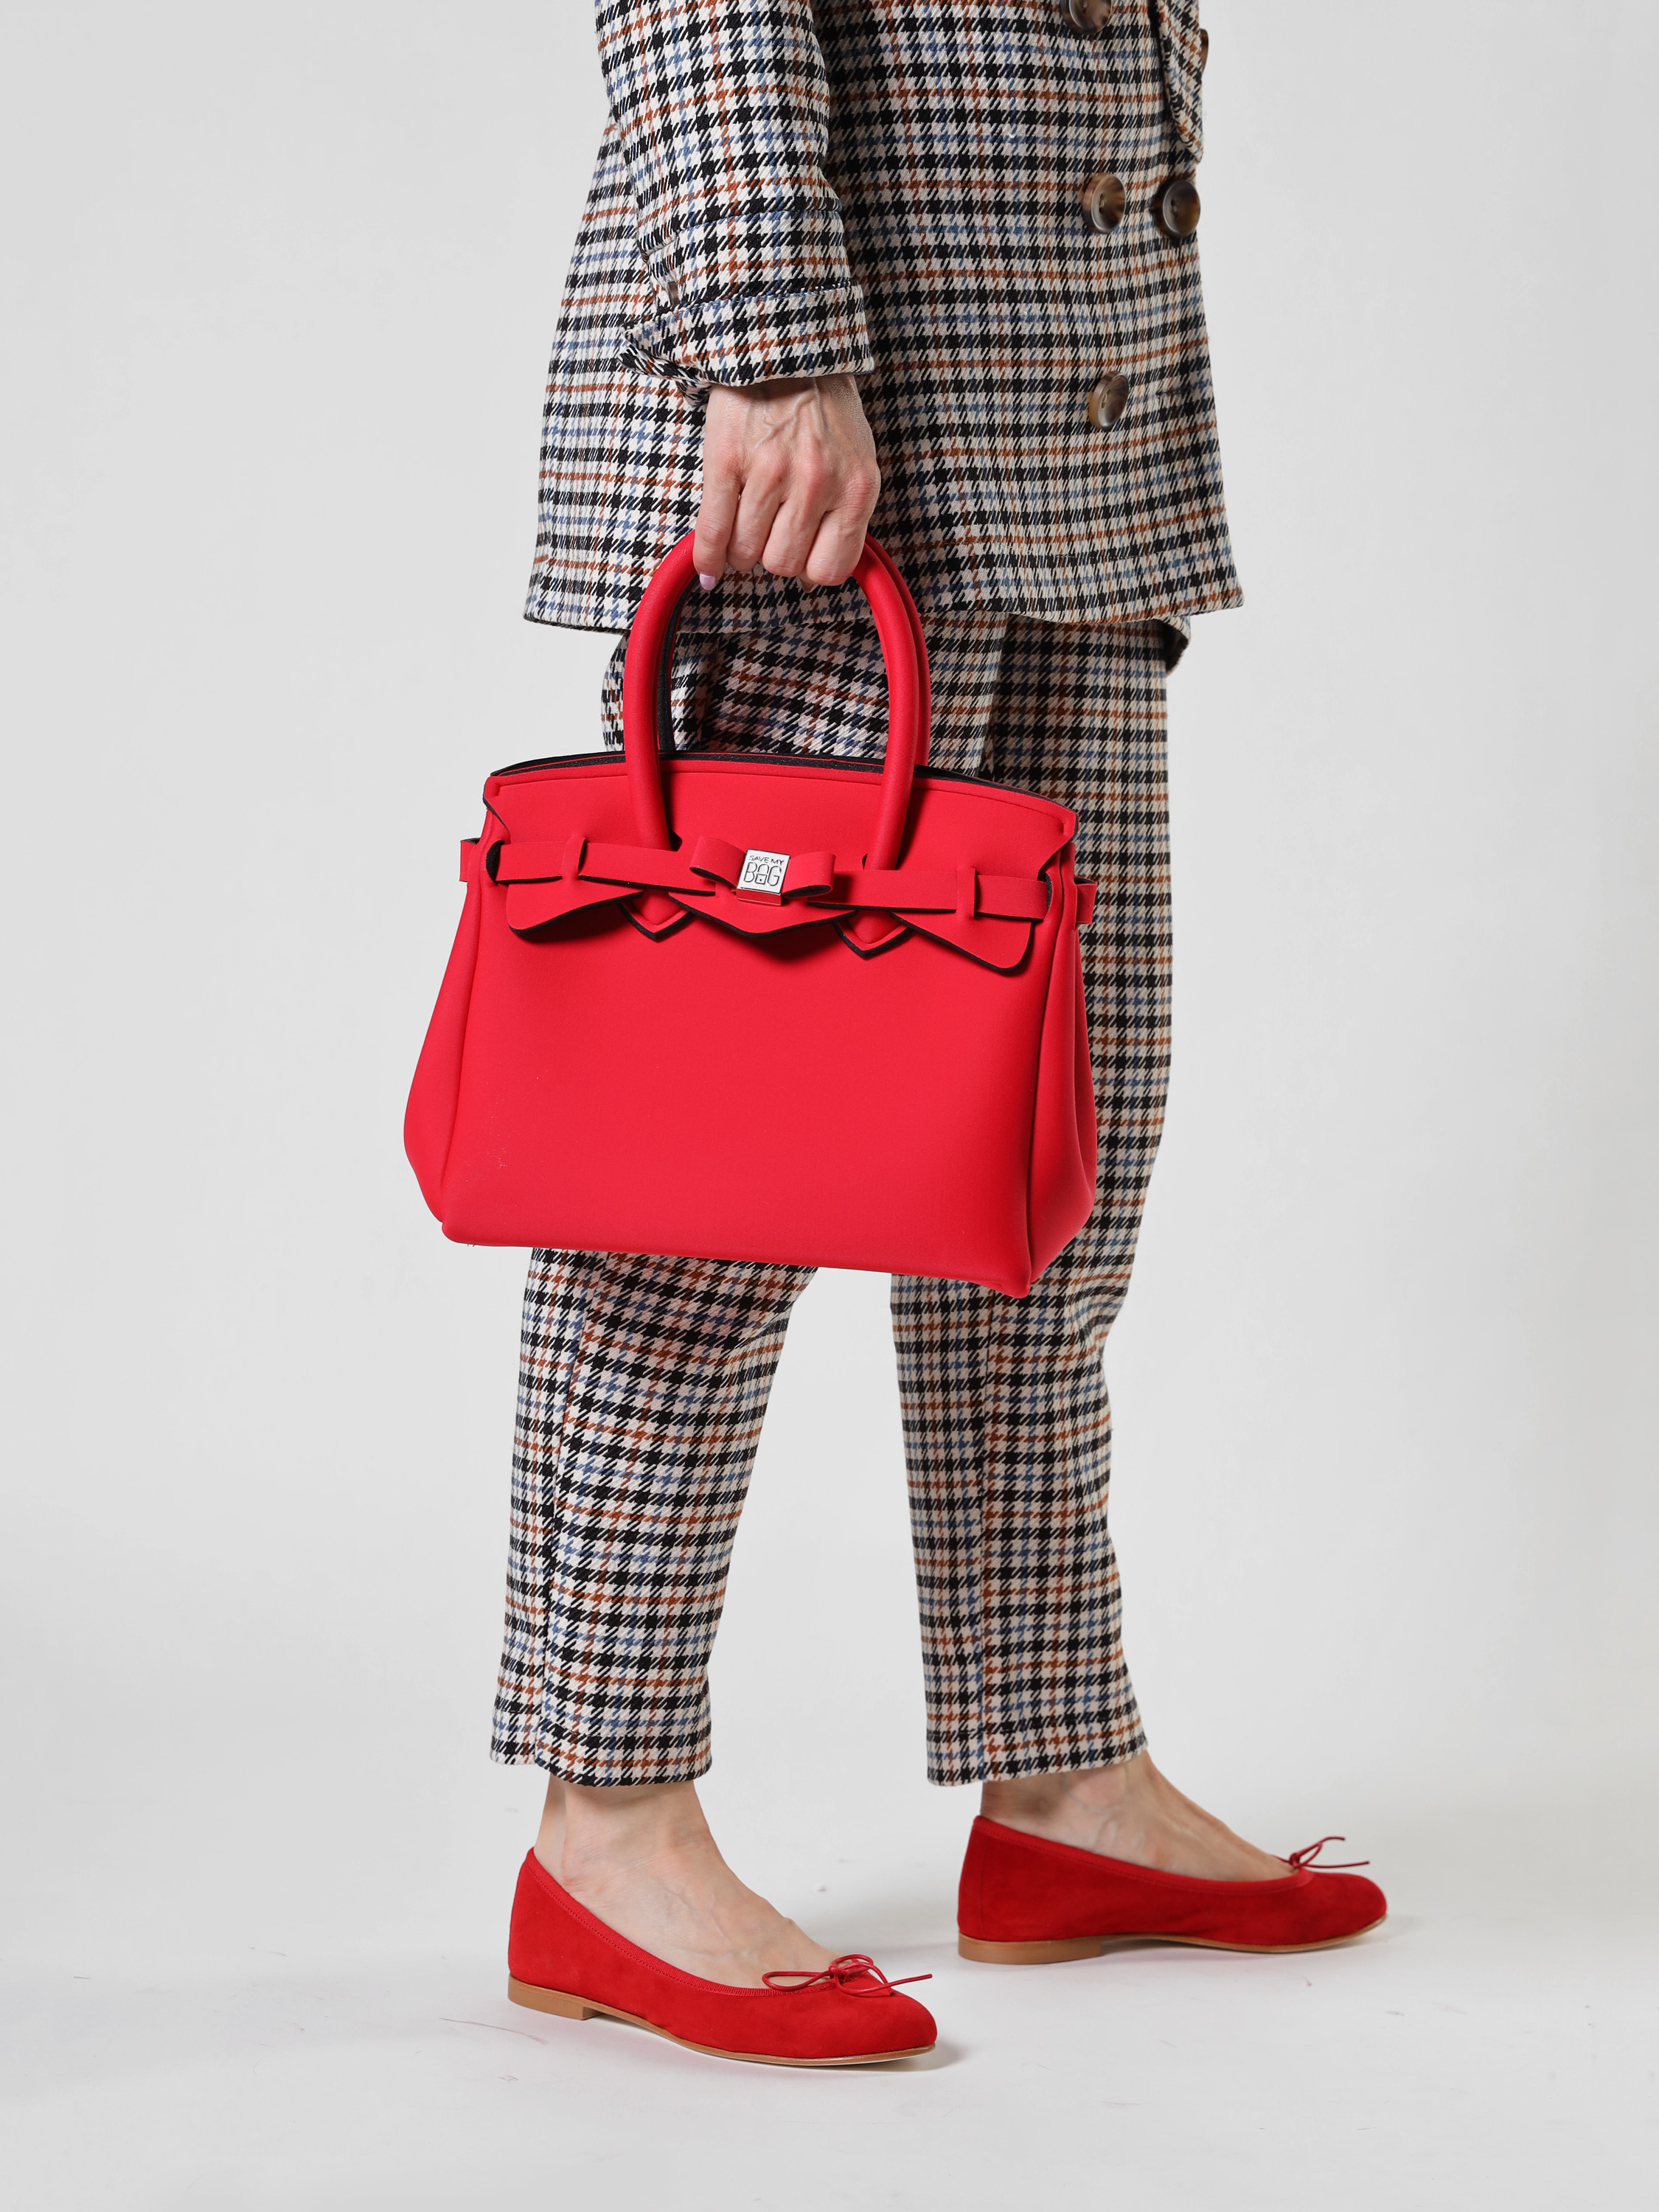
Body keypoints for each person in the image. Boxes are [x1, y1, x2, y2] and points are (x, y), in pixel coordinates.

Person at [495, 0, 1384, 2066]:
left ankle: (1060, 1775)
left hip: (1073, 423)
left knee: (1051, 1161)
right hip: (830, 428)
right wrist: (767, 341)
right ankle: (605, 1823)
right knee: (703, 1185)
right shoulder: (792, 375)